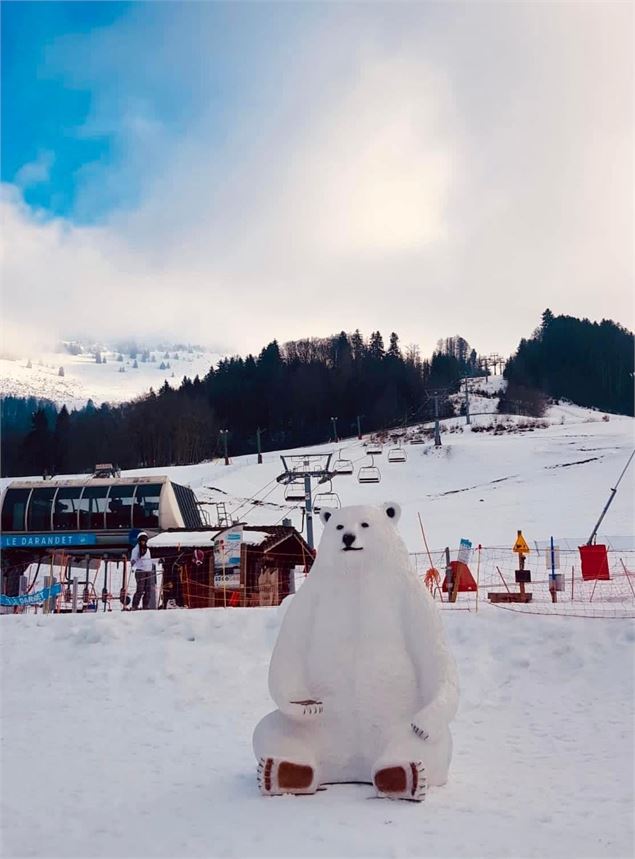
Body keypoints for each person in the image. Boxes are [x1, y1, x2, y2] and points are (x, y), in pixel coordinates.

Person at [130, 532, 156, 610]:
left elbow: (150, 559)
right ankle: (135, 606)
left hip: (148, 571)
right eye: (142, 540)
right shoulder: (136, 549)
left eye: (144, 540)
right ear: (139, 541)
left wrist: (157, 561)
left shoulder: (147, 549)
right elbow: (133, 560)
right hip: (140, 571)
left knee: (148, 590)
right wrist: (133, 562)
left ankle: (145, 606)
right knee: (140, 590)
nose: (143, 542)